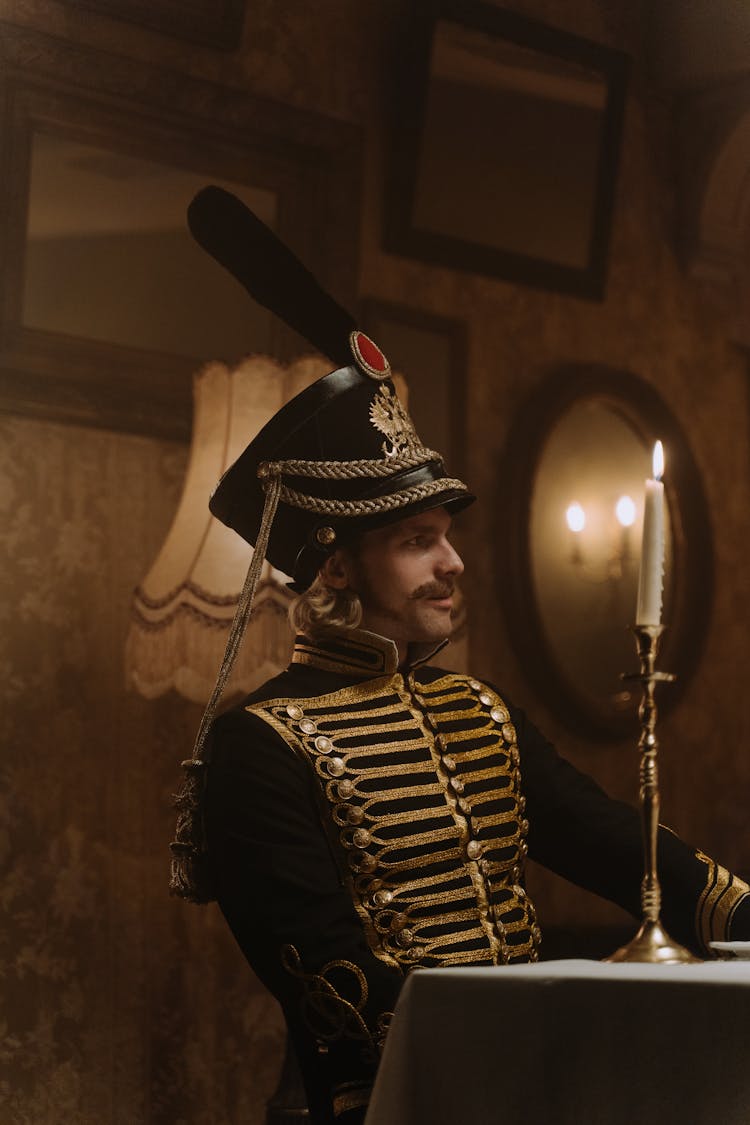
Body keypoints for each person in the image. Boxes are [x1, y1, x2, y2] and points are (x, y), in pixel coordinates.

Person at [170, 188, 750, 1125]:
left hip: (533, 1088)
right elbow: (338, 990)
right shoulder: (258, 747)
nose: (453, 562)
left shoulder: (480, 712)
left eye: (445, 533)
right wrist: (564, 1031)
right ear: (337, 565)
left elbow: (623, 851)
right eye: (416, 540)